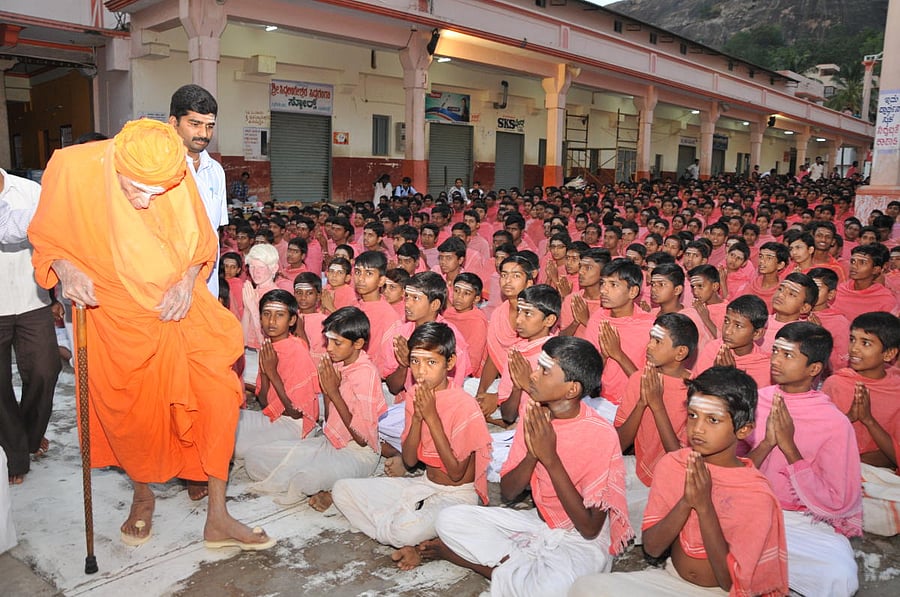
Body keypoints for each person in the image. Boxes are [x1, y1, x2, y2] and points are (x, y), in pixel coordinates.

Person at [28, 119, 273, 549]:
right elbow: (48, 239)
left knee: (217, 397)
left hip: (183, 308)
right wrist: (65, 271)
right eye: (136, 190)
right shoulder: (71, 169)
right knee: (136, 415)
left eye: (157, 193)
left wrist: (185, 282)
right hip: (116, 314)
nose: (146, 201)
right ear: (114, 166)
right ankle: (142, 498)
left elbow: (202, 246)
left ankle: (218, 515)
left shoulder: (172, 170)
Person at [423, 336, 632, 596]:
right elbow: (509, 492)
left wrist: (550, 459)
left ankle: (473, 562)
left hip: (581, 539)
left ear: (571, 390)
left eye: (544, 371)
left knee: (551, 590)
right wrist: (533, 454)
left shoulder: (600, 434)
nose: (533, 376)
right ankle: (525, 567)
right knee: (450, 519)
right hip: (538, 523)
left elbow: (589, 527)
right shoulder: (534, 415)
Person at [571, 366, 788, 597]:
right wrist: (686, 502)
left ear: (743, 430)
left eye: (713, 420)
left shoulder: (755, 493)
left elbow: (729, 581)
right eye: (693, 415)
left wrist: (704, 508)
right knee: (585, 587)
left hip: (723, 592)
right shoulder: (674, 465)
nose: (698, 428)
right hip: (671, 578)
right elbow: (653, 548)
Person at [332, 322, 492, 570]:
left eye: (431, 362)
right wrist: (417, 417)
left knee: (403, 530)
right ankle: (407, 536)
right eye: (415, 361)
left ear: (449, 364)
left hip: (457, 496)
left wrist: (431, 417)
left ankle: (402, 532)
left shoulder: (464, 405)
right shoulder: (415, 395)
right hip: (424, 483)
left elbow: (457, 472)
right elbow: (409, 460)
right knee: (342, 491)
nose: (421, 371)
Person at [745, 322, 860, 596]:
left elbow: (837, 498)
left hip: (803, 520)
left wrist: (789, 448)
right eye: (775, 351)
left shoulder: (833, 422)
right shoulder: (754, 401)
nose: (776, 360)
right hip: (750, 507)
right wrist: (768, 443)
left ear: (814, 369)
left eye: (788, 355)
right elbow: (729, 468)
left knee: (839, 575)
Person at [245, 306, 386, 509]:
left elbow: (362, 440)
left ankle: (325, 484)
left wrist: (333, 393)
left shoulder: (366, 373)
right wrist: (329, 394)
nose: (329, 348)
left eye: (337, 343)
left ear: (358, 343)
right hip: (329, 443)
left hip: (358, 454)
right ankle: (324, 480)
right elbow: (329, 419)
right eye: (328, 341)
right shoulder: (337, 364)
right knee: (254, 458)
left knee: (304, 480)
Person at [0, 168, 60, 486]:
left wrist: (55, 294)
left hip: (31, 300)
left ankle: (27, 437)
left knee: (45, 371)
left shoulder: (29, 191)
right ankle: (15, 456)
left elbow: (50, 242)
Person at [615, 313, 697, 540]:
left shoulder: (696, 390)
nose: (649, 345)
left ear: (681, 352)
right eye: (651, 338)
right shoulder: (640, 379)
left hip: (673, 481)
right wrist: (642, 403)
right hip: (639, 468)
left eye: (658, 341)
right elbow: (620, 443)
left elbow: (679, 459)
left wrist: (657, 404)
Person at [823, 312, 900, 537]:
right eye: (852, 339)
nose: (854, 349)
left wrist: (868, 420)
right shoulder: (837, 383)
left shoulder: (896, 390)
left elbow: (894, 456)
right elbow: (821, 444)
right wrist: (848, 418)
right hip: (841, 471)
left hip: (878, 475)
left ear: (889, 354)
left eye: (865, 343)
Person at [233, 290, 319, 458]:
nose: (271, 321)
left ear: (292, 320)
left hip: (295, 425)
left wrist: (272, 372)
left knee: (232, 447)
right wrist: (265, 373)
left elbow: (296, 413)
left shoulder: (297, 351)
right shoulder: (269, 347)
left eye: (279, 315)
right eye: (266, 314)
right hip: (273, 417)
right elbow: (265, 403)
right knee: (225, 419)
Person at [169, 84, 228, 298]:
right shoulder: (159, 167)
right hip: (170, 284)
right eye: (195, 124)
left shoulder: (216, 171)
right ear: (173, 122)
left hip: (207, 284)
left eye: (210, 126)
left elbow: (215, 231)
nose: (204, 134)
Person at [694, 295, 771, 389]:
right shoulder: (713, 349)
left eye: (738, 326)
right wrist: (717, 374)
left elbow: (750, 402)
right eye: (726, 321)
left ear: (757, 333)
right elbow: (697, 391)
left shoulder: (764, 367)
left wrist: (730, 377)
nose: (727, 331)